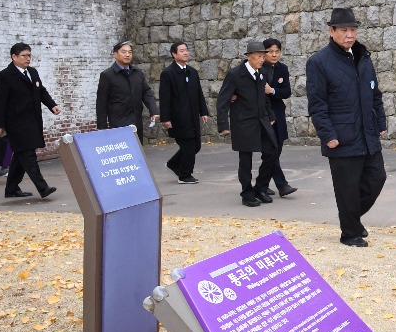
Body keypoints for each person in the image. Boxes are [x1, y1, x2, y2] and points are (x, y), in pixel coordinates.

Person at [306, 7, 387, 247]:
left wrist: (380, 121)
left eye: (353, 29)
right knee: (347, 189)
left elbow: (375, 94)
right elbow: (317, 103)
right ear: (332, 31)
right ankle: (349, 232)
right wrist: (327, 134)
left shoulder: (363, 57)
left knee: (377, 178)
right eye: (343, 30)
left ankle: (350, 218)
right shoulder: (319, 62)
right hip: (341, 136)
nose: (349, 34)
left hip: (367, 133)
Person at [0, 43, 60, 199]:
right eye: (24, 55)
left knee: (20, 155)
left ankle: (11, 189)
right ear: (14, 57)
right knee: (28, 154)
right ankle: (43, 188)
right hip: (16, 122)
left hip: (33, 119)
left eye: (29, 55)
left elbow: (41, 91)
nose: (27, 58)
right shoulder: (5, 76)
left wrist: (52, 105)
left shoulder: (33, 72)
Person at [217, 40, 278, 207]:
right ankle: (247, 192)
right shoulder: (235, 74)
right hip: (243, 123)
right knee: (246, 160)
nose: (262, 60)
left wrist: (270, 115)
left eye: (262, 57)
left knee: (272, 151)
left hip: (262, 120)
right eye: (259, 57)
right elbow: (223, 99)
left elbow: (264, 97)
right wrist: (223, 124)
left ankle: (261, 187)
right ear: (249, 57)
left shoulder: (262, 73)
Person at [159, 42, 209, 185]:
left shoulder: (192, 72)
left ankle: (173, 163)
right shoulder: (168, 73)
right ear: (174, 54)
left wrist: (203, 112)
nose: (185, 53)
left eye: (186, 50)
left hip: (192, 116)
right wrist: (165, 118)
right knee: (188, 148)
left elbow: (199, 93)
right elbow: (165, 97)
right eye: (181, 51)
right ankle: (185, 175)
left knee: (196, 146)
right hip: (178, 118)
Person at [95, 41, 158, 143]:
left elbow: (146, 92)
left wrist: (153, 110)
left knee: (137, 153)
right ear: (115, 54)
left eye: (130, 52)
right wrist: (102, 129)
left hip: (136, 123)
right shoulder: (107, 75)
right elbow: (101, 103)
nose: (127, 55)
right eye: (123, 52)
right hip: (118, 124)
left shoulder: (137, 73)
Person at [261, 38, 297, 198]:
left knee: (277, 149)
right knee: (270, 150)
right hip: (262, 115)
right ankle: (282, 185)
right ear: (264, 52)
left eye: (277, 51)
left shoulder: (282, 69)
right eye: (270, 52)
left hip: (278, 112)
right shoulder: (258, 67)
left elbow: (286, 91)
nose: (274, 55)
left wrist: (273, 91)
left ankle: (261, 184)